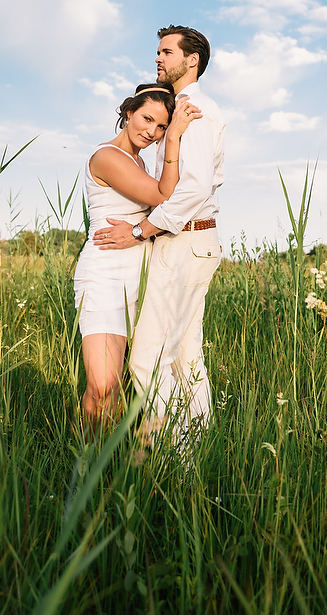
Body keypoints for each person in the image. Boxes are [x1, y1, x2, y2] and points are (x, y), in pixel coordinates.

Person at [93, 25, 224, 449]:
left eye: (166, 52)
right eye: (158, 52)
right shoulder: (186, 109)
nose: (158, 59)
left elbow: (193, 187)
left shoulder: (191, 108)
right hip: (194, 239)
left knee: (148, 360)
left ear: (192, 60)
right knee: (188, 358)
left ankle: (173, 459)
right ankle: (196, 454)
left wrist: (139, 230)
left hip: (183, 240)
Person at [73, 81, 202, 431]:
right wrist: (175, 137)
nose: (153, 131)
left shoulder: (138, 161)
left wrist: (138, 230)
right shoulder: (107, 156)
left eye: (161, 126)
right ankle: (86, 465)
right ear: (128, 113)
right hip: (105, 273)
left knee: (119, 382)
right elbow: (164, 196)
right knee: (101, 384)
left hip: (140, 276)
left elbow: (161, 213)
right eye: (147, 119)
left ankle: (108, 463)